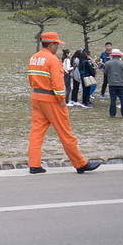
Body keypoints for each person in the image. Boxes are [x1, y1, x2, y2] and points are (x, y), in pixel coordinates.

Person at [27, 32, 101, 174]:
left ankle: (34, 164)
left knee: (36, 132)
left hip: (37, 97)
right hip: (52, 100)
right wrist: (62, 101)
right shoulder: (53, 60)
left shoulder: (33, 58)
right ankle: (80, 163)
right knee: (66, 133)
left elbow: (32, 80)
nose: (58, 48)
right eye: (57, 44)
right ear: (51, 44)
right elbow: (58, 83)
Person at [103, 49, 123, 118]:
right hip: (121, 83)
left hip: (112, 83)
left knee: (113, 99)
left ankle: (112, 114)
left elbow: (105, 72)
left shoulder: (108, 63)